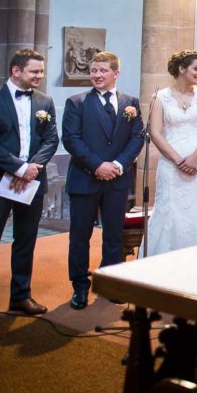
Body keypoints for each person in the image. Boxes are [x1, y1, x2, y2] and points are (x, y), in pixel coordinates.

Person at [0, 48, 60, 325]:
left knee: (26, 240)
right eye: (34, 71)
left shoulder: (45, 101)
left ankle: (20, 295)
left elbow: (51, 139)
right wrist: (18, 168)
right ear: (16, 71)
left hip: (32, 181)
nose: (39, 76)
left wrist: (32, 168)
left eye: (41, 72)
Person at [62, 51, 145, 310]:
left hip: (118, 181)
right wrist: (98, 165)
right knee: (79, 236)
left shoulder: (131, 102)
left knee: (113, 236)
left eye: (102, 71)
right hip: (85, 179)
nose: (96, 75)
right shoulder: (76, 103)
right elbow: (72, 139)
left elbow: (137, 137)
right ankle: (80, 286)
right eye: (93, 71)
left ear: (116, 73)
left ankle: (110, 282)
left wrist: (119, 165)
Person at [144, 51, 197, 256]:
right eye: (196, 68)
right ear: (182, 69)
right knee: (171, 209)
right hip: (171, 165)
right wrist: (179, 160)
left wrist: (195, 157)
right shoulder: (160, 97)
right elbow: (155, 132)